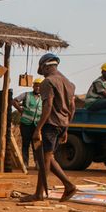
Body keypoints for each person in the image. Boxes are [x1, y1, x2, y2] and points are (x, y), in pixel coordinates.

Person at [21, 53, 78, 203]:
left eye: (42, 69)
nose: (42, 73)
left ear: (46, 66)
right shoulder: (69, 83)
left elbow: (48, 106)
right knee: (48, 158)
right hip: (61, 125)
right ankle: (68, 185)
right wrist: (66, 129)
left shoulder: (48, 82)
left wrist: (37, 128)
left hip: (50, 124)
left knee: (44, 161)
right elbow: (72, 108)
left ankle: (40, 194)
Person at [11, 77, 43, 168]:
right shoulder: (26, 95)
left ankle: (37, 163)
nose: (38, 88)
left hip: (37, 125)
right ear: (33, 86)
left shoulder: (43, 98)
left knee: (36, 144)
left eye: (40, 86)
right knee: (26, 143)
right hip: (26, 123)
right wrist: (20, 110)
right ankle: (25, 163)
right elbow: (14, 101)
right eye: (36, 86)